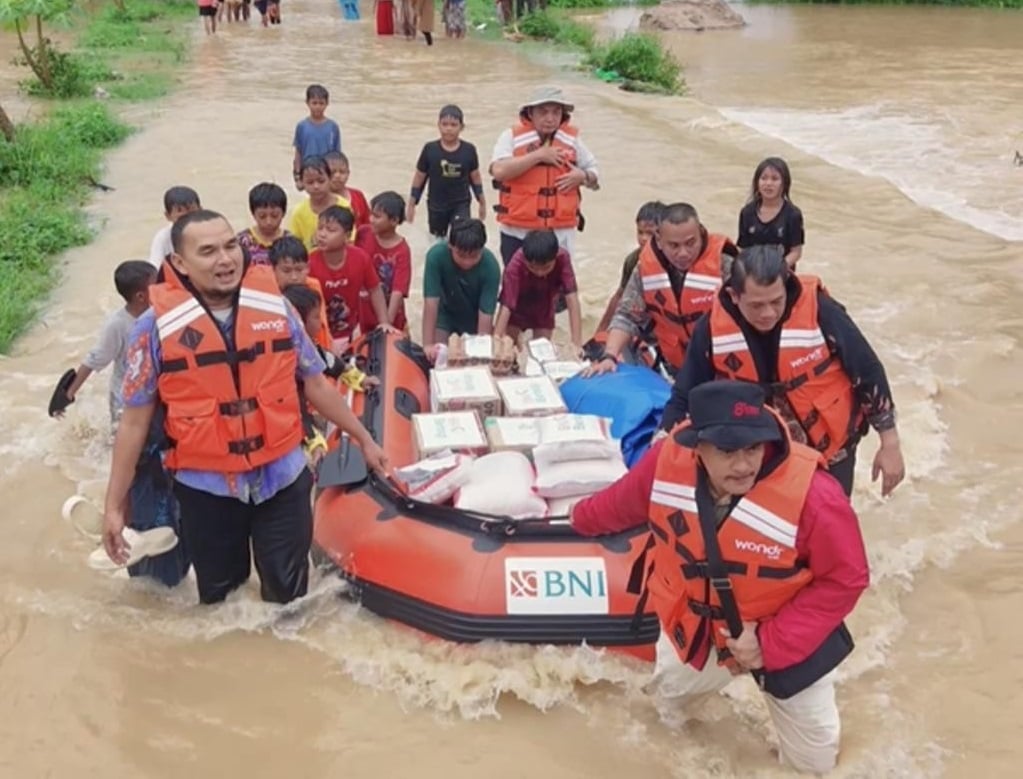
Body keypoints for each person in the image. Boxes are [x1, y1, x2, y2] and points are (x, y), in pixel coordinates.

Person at [571, 381, 869, 774]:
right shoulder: (665, 461)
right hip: (700, 633)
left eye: (753, 448)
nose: (744, 464)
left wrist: (768, 642)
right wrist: (572, 518)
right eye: (728, 451)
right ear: (698, 448)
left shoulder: (817, 497)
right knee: (668, 713)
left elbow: (847, 578)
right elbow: (616, 506)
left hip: (788, 643)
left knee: (814, 766)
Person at [102, 210, 389, 605]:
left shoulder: (277, 309)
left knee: (290, 599)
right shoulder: (152, 328)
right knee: (222, 602)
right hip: (207, 490)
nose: (225, 259)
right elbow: (134, 424)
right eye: (208, 251)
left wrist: (363, 439)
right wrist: (114, 506)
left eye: (230, 245)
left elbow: (315, 383)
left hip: (283, 479)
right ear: (180, 264)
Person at [660, 245, 905, 497]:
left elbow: (867, 370)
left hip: (831, 451)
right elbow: (685, 394)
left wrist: (890, 443)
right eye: (756, 305)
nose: (768, 313)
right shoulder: (711, 328)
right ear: (734, 296)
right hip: (756, 458)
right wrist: (663, 449)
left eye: (776, 301)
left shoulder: (821, 310)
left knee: (828, 521)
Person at [585, 202, 737, 379]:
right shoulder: (645, 268)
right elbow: (627, 316)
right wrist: (609, 356)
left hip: (723, 368)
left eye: (690, 243)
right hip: (678, 364)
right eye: (674, 246)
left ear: (701, 234)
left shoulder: (726, 265)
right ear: (658, 240)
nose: (683, 253)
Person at [489, 86, 600, 266]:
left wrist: (583, 176)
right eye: (543, 112)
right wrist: (538, 155)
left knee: (560, 290)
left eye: (556, 112)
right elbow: (499, 171)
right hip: (517, 232)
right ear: (530, 113)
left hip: (560, 233)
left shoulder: (572, 141)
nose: (550, 118)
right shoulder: (510, 136)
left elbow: (594, 174)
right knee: (516, 288)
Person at [55, 261, 157, 428]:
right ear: (141, 296)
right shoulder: (117, 325)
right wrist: (68, 394)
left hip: (153, 393)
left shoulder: (160, 314)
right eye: (157, 285)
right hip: (126, 399)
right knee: (121, 440)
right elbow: (94, 359)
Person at [307, 205, 391, 349]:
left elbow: (375, 290)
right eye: (320, 228)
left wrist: (384, 322)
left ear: (347, 236)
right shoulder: (309, 263)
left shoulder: (360, 258)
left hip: (352, 332)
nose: (322, 234)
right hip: (319, 335)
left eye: (331, 230)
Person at [494, 229, 582, 355]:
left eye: (546, 267)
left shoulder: (563, 258)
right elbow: (506, 306)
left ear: (555, 257)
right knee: (508, 349)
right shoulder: (515, 266)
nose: (540, 272)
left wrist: (576, 344)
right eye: (533, 267)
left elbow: (572, 299)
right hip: (516, 309)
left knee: (542, 352)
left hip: (544, 309)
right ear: (525, 259)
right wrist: (496, 340)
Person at [407, 105, 485, 239]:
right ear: (438, 125)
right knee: (437, 240)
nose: (449, 128)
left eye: (454, 124)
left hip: (461, 203)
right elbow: (420, 177)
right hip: (436, 205)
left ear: (462, 127)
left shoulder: (469, 150)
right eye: (445, 124)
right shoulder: (430, 149)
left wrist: (482, 202)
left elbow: (475, 176)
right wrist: (412, 204)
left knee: (461, 237)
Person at [421, 217, 500, 348]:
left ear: (482, 248)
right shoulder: (436, 256)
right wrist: (428, 345)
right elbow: (431, 303)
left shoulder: (490, 267)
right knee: (439, 354)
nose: (467, 262)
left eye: (474, 256)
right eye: (461, 255)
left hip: (474, 318)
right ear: (450, 246)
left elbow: (486, 314)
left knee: (477, 356)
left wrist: (481, 348)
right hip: (445, 315)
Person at [595, 201, 665, 333]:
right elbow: (619, 297)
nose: (643, 238)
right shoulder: (633, 260)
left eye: (650, 233)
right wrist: (601, 331)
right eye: (640, 232)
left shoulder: (676, 260)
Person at [356, 191, 411, 333]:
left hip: (391, 312)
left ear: (394, 221)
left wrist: (388, 322)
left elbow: (398, 290)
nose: (371, 219)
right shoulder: (363, 233)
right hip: (364, 309)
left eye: (377, 216)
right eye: (371, 214)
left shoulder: (402, 251)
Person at [738, 157, 805, 270]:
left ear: (784, 183)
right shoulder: (747, 212)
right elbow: (742, 248)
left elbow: (796, 253)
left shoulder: (793, 215)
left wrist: (776, 269)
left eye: (774, 179)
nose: (768, 183)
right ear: (757, 182)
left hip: (782, 274)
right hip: (753, 273)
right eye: (764, 178)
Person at [269, 236, 332, 353]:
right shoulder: (269, 295)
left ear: (308, 267)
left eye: (299, 270)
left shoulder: (314, 287)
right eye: (286, 271)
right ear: (273, 269)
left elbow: (322, 326)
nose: (294, 277)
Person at [289, 156, 353, 249]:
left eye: (321, 181)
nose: (316, 186)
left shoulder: (344, 206)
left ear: (330, 178)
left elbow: (350, 240)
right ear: (302, 183)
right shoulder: (298, 213)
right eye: (310, 182)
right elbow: (294, 246)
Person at [292, 85, 342, 191]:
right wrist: (297, 176)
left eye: (321, 103)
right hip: (308, 172)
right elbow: (298, 153)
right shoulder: (302, 126)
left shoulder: (333, 127)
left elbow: (337, 155)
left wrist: (336, 176)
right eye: (314, 103)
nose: (318, 107)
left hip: (326, 173)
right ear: (307, 103)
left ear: (327, 103)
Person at [237, 182, 289, 266]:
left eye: (274, 215)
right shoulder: (242, 241)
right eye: (262, 216)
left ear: (283, 213)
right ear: (253, 214)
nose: (268, 221)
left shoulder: (290, 241)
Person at [148, 186, 201, 268]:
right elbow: (155, 268)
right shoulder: (163, 238)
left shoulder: (212, 231)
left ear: (201, 210)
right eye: (181, 218)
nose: (187, 222)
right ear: (168, 216)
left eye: (192, 215)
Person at [325, 151, 370, 228]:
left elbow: (368, 224)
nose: (337, 176)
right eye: (333, 172)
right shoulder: (320, 199)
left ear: (348, 173)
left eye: (342, 172)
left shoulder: (358, 196)